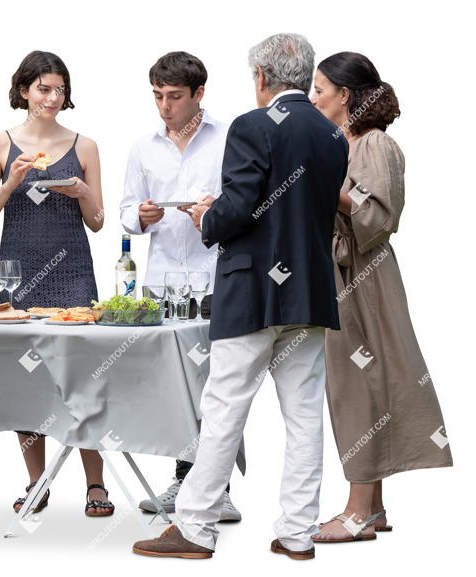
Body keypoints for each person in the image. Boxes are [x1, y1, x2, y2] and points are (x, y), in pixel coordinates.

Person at [132, 33, 348, 560]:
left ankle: (195, 528)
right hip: (310, 293)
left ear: (261, 77)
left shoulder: (253, 126)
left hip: (252, 291)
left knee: (223, 409)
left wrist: (209, 214)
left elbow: (243, 208)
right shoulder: (334, 135)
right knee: (303, 417)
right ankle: (298, 534)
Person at [309, 52, 453, 543]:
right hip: (340, 275)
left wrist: (316, 181)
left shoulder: (374, 144)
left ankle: (356, 511)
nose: (312, 99)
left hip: (361, 278)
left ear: (344, 95)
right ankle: (373, 508)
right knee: (359, 380)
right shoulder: (341, 142)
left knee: (359, 381)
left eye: (320, 90)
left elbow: (376, 216)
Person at [0, 50, 113, 517]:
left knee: (84, 378)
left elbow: (96, 222)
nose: (53, 98)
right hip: (18, 273)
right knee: (25, 379)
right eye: (43, 89)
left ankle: (95, 485)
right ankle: (37, 481)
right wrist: (10, 183)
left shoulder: (85, 145)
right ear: (23, 92)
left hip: (73, 272)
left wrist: (85, 193)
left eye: (59, 89)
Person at [119, 51, 241, 521]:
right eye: (157, 96)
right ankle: (183, 482)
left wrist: (218, 208)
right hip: (163, 284)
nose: (164, 107)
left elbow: (248, 202)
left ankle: (218, 489)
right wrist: (141, 218)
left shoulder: (230, 138)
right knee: (172, 387)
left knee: (218, 386)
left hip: (216, 278)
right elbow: (128, 212)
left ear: (199, 95)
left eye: (174, 97)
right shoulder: (142, 146)